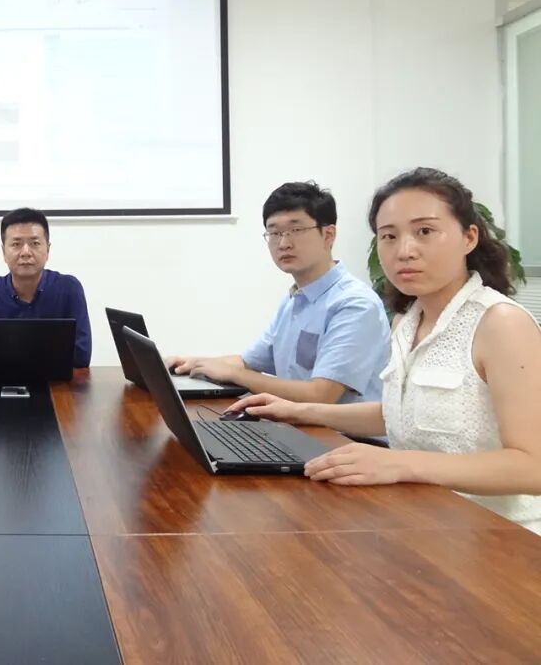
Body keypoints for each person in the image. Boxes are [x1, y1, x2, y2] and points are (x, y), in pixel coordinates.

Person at [231, 168, 541, 534]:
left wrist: (400, 463)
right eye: (389, 236)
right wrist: (297, 411)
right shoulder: (407, 320)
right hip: (421, 522)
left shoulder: (501, 323)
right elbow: (399, 412)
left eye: (425, 232)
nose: (404, 251)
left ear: (469, 237)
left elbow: (532, 466)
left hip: (499, 536)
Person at [166, 181, 389, 404]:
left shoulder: (355, 304)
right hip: (293, 421)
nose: (283, 243)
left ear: (328, 235)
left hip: (335, 427)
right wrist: (191, 363)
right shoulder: (295, 299)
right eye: (274, 232)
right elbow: (247, 362)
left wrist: (235, 374)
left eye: (296, 230)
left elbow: (321, 395)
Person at [0, 207, 91, 367]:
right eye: (16, 244)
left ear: (48, 250)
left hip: (54, 381)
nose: (26, 252)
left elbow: (81, 356)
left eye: (35, 243)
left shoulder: (69, 289)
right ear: (3, 252)